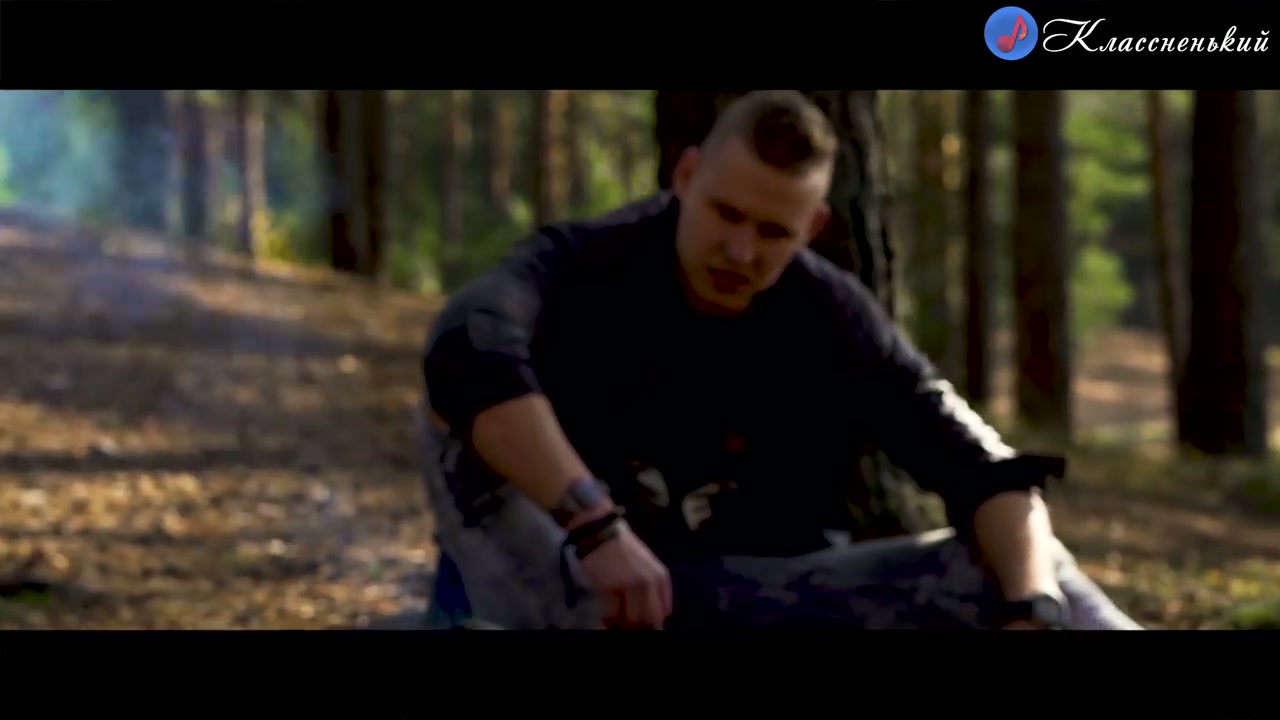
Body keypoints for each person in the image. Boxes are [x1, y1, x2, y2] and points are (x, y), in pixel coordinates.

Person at [420, 90, 1142, 630]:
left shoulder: (831, 314)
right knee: (460, 419)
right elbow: (465, 349)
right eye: (726, 214)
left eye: (773, 232)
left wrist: (1031, 611)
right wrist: (595, 527)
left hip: (742, 595)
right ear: (686, 175)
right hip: (569, 585)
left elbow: (987, 472)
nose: (740, 252)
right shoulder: (583, 266)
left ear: (813, 225)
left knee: (1031, 564)